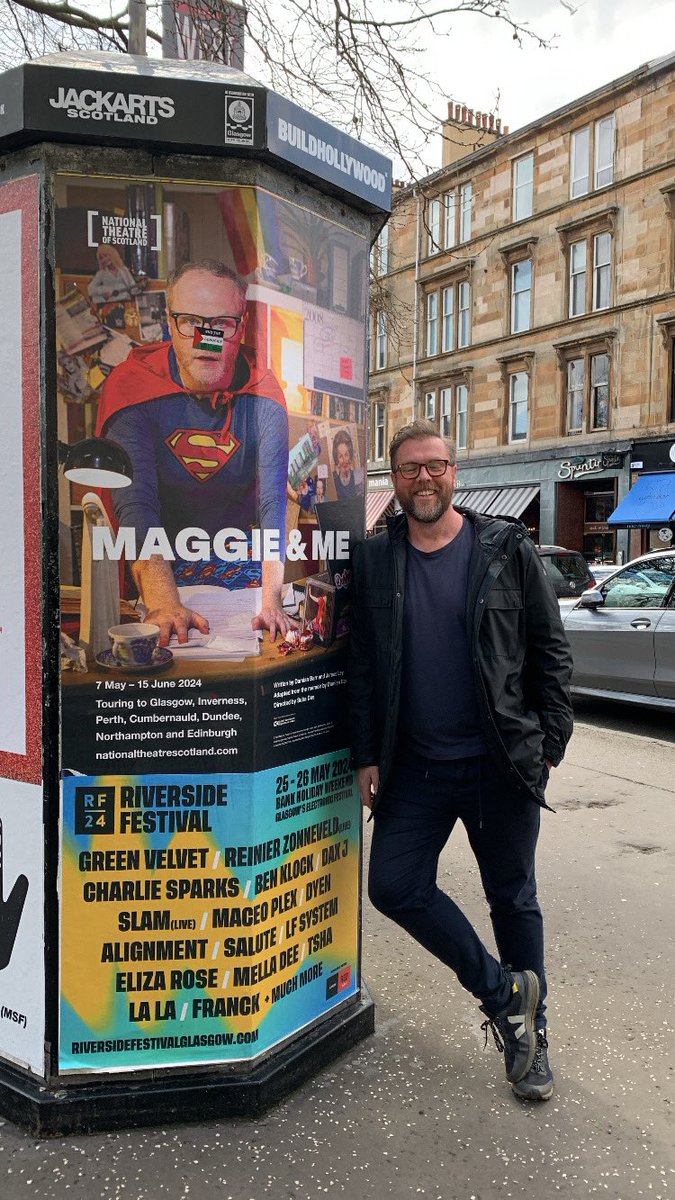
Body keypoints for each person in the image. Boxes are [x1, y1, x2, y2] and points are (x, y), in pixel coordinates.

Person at [348, 420, 573, 1102]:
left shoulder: (504, 547)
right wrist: (364, 755)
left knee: (512, 898)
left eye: (435, 466)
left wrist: (547, 746)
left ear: (454, 473)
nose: (424, 478)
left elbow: (549, 650)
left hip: (497, 763)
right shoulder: (374, 558)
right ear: (394, 479)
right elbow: (362, 664)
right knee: (392, 886)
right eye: (410, 469)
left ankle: (530, 1040)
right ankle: (503, 992)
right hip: (413, 766)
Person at [96, 259, 294, 645]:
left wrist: (271, 600)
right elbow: (136, 505)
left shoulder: (265, 396)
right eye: (190, 321)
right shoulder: (132, 388)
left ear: (242, 325)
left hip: (238, 569)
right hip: (157, 571)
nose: (206, 339)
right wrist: (164, 602)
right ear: (170, 323)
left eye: (221, 324)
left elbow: (273, 502)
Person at [332, 428, 357, 499]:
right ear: (336, 459)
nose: (344, 460)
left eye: (346, 455)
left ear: (350, 455)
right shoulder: (333, 480)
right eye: (340, 456)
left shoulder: (357, 477)